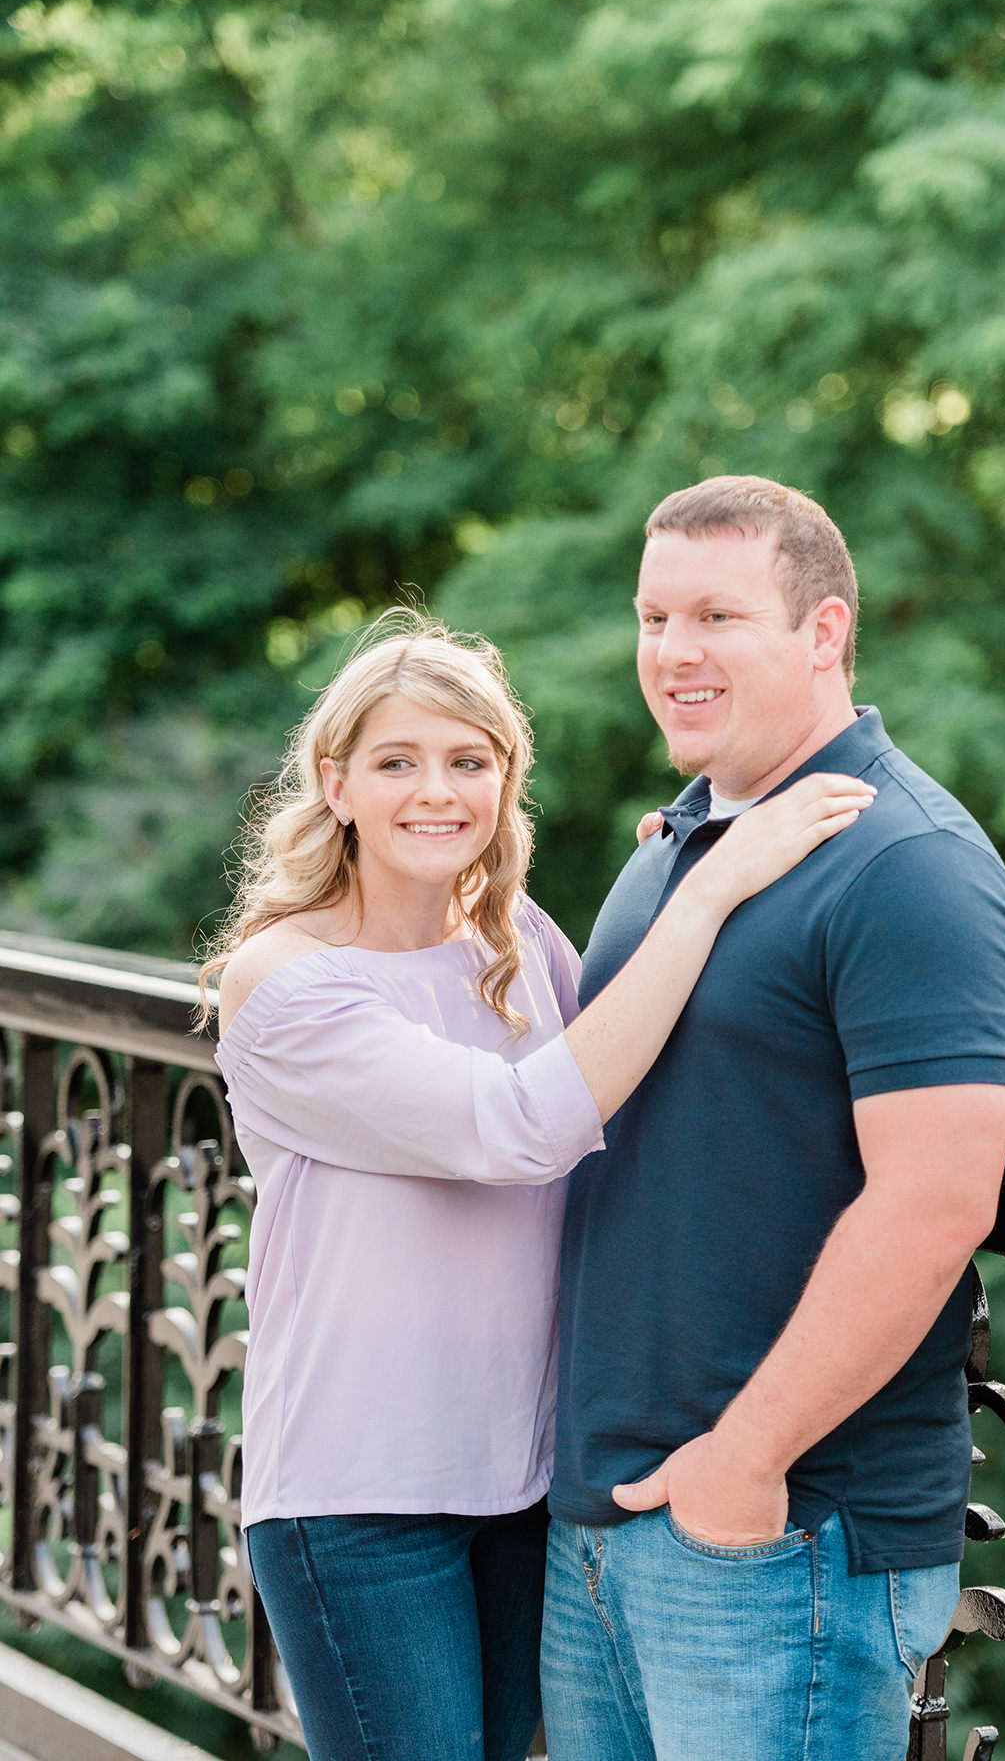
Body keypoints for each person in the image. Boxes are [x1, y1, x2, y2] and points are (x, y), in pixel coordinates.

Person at [203, 612, 875, 1761]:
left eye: (469, 761)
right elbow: (521, 1125)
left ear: (505, 777)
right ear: (336, 780)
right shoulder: (284, 984)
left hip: (524, 1478)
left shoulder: (512, 936)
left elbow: (620, 1064)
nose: (437, 792)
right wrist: (704, 895)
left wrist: (668, 881)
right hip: (360, 1493)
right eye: (397, 762)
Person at [541, 477, 1005, 1761]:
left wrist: (740, 1464)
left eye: (716, 615)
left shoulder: (906, 864)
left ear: (822, 632)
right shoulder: (679, 844)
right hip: (607, 1518)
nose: (671, 653)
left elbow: (933, 1205)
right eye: (652, 617)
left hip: (778, 1533)